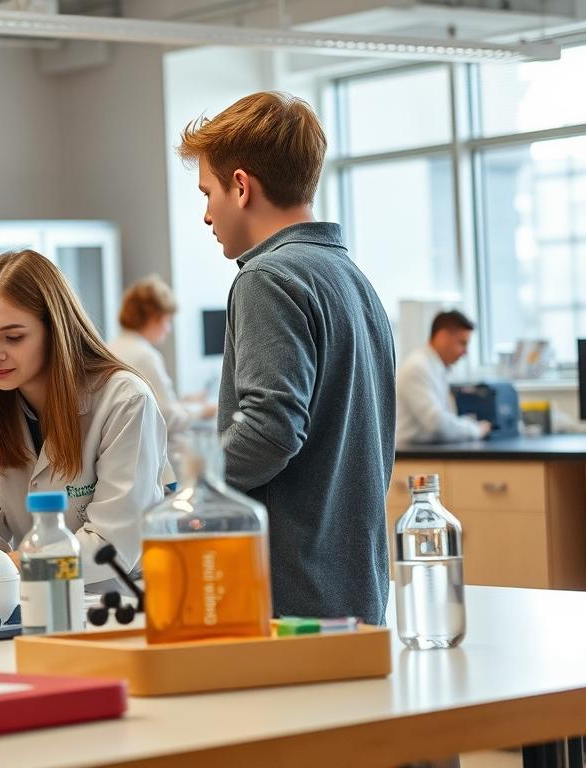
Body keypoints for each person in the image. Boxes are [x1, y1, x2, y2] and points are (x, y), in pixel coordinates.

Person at [176, 91, 396, 624]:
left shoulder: (267, 279)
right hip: (355, 585)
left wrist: (186, 490)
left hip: (292, 595)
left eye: (208, 193)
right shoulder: (351, 279)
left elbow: (270, 430)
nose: (206, 215)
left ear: (241, 186)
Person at [0, 250, 173, 589]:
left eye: (13, 337)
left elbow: (112, 545)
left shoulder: (124, 400)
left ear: (55, 330)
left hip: (119, 604)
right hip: (33, 604)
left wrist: (7, 564)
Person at [106, 275, 215, 448]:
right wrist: (203, 410)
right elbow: (167, 417)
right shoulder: (145, 355)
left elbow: (148, 407)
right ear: (154, 317)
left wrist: (182, 403)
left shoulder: (110, 348)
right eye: (167, 320)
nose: (168, 328)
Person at [396, 310, 490, 447]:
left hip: (424, 450)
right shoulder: (418, 367)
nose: (465, 352)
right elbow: (436, 423)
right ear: (442, 337)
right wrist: (476, 430)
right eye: (462, 343)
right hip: (411, 455)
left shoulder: (436, 367)